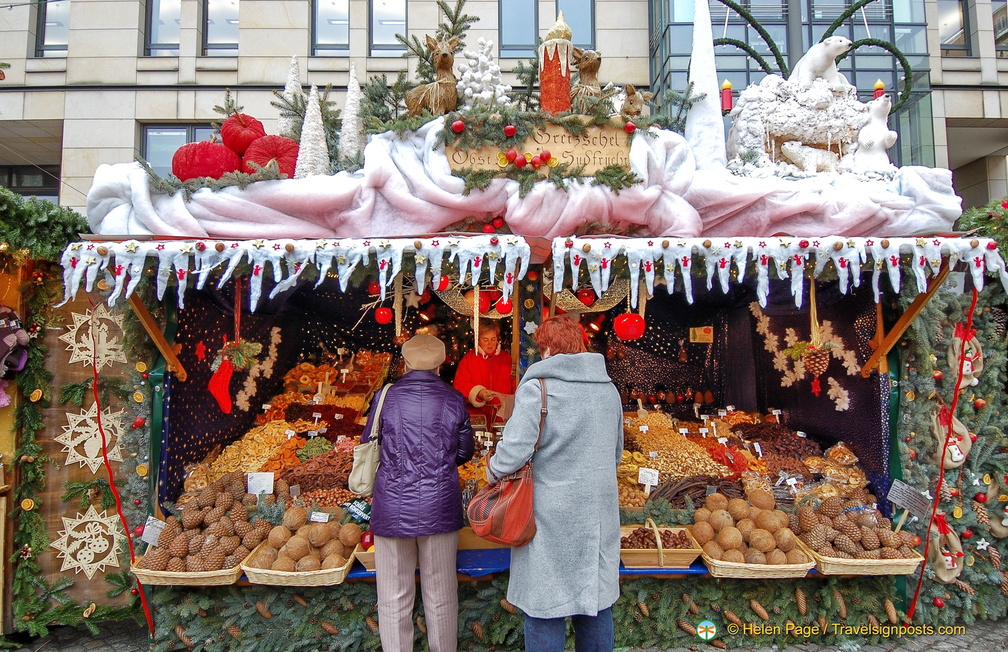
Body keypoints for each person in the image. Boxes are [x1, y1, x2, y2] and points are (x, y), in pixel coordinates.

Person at [487, 316, 623, 652]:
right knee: (595, 603)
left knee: (544, 607)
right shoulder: (609, 391)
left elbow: (513, 453)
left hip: (549, 517)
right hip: (597, 513)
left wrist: (491, 471)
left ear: (546, 347)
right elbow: (616, 453)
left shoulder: (538, 389)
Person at [361, 334, 475, 652]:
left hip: (392, 507)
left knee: (393, 597)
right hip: (440, 506)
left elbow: (370, 441)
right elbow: (464, 452)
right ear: (440, 365)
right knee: (440, 596)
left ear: (406, 363)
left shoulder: (386, 397)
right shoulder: (453, 399)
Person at [453, 319, 516, 423]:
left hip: (502, 418)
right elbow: (459, 386)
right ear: (478, 340)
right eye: (485, 340)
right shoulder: (468, 360)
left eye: (493, 339)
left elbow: (516, 386)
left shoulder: (508, 359)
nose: (490, 344)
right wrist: (478, 393)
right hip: (477, 418)